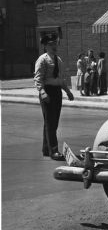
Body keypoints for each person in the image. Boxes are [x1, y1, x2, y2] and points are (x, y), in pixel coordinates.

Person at [33, 32, 74, 160]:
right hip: (47, 92)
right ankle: (54, 151)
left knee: (52, 122)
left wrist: (67, 91)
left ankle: (46, 149)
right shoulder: (42, 59)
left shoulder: (58, 59)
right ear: (45, 46)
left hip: (57, 92)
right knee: (50, 122)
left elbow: (60, 79)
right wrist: (42, 92)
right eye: (51, 44)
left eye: (55, 43)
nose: (54, 46)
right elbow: (38, 78)